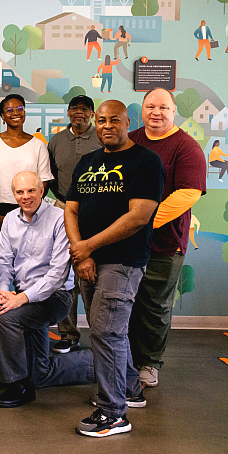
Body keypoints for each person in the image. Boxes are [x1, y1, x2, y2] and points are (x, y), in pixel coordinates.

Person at [65, 100, 165, 437]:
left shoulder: (145, 161)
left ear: (128, 122)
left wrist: (88, 247)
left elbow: (138, 217)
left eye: (115, 120)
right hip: (89, 260)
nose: (108, 126)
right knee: (107, 329)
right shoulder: (87, 161)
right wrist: (83, 253)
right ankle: (131, 389)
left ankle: (113, 413)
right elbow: (71, 210)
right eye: (103, 120)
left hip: (123, 261)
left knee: (105, 333)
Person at [0, 172, 94, 408]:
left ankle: (19, 384)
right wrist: (3, 292)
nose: (26, 197)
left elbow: (57, 275)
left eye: (31, 191)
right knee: (39, 372)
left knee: (3, 317)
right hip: (22, 295)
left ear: (42, 190)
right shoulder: (9, 220)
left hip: (55, 297)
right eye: (20, 192)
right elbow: (3, 261)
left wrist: (20, 299)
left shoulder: (60, 218)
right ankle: (99, 362)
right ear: (14, 194)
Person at [128, 88, 207, 388]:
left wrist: (142, 222)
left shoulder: (186, 147)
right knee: (125, 302)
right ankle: (125, 360)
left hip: (164, 244)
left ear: (174, 111)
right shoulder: (131, 140)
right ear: (143, 110)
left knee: (155, 307)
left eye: (163, 107)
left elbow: (187, 194)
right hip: (125, 241)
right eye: (150, 106)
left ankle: (149, 362)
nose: (156, 112)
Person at [47, 95, 101, 353]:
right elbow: (50, 177)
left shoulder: (101, 137)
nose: (79, 113)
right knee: (64, 276)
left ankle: (100, 336)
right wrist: (63, 203)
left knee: (93, 276)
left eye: (85, 109)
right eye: (74, 109)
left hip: (96, 213)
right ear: (68, 112)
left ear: (91, 114)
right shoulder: (56, 141)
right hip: (63, 210)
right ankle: (68, 334)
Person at [0, 94, 53, 220]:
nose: (15, 113)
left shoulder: (38, 145)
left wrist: (31, 208)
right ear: (3, 117)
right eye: (9, 110)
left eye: (19, 108)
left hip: (29, 209)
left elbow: (44, 181)